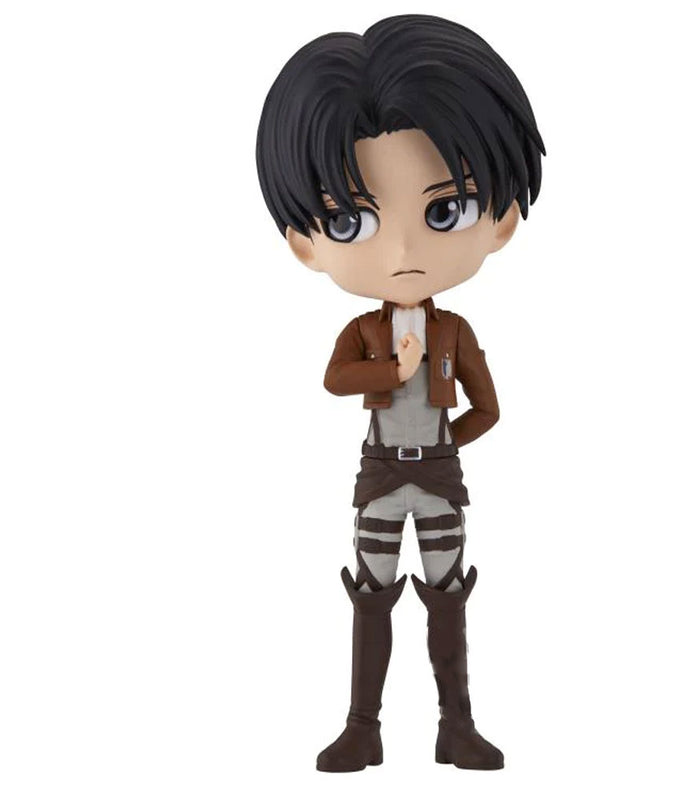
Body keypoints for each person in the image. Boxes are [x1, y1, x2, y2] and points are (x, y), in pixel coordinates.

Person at [255, 14, 545, 771]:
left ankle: (457, 724)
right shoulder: (363, 331)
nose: (406, 250)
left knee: (448, 593)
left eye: (445, 210)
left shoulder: (456, 332)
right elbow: (335, 380)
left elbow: (489, 407)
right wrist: (392, 372)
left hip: (439, 479)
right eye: (352, 219)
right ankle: (363, 726)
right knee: (371, 593)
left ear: (501, 222)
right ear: (305, 241)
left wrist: (448, 443)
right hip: (381, 477)